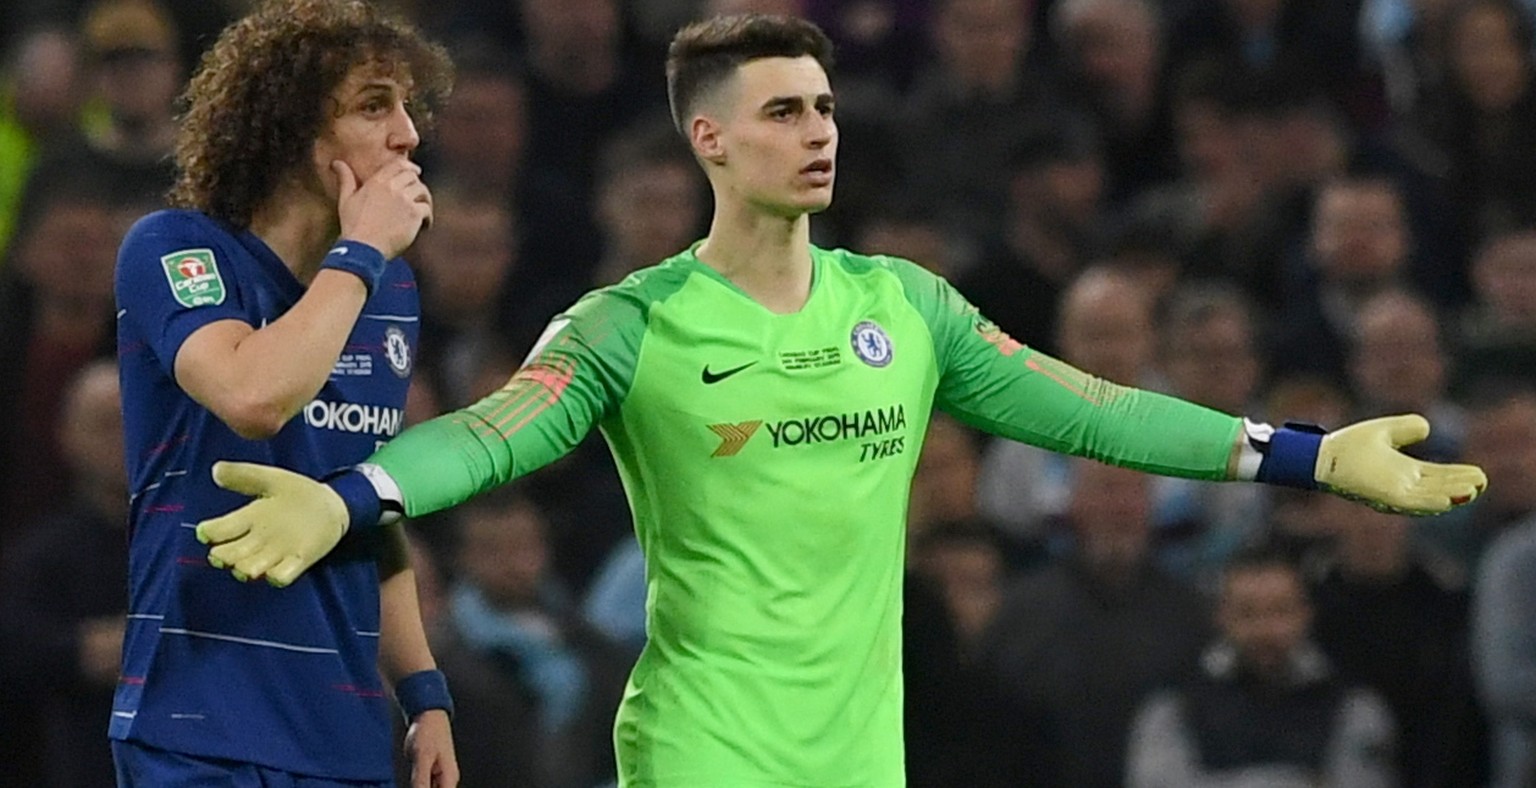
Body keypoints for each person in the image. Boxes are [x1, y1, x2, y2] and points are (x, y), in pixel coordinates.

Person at [193, 13, 1487, 787]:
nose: (817, 130)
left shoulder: (904, 307)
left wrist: (1311, 457)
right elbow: (489, 436)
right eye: (780, 111)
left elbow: (1095, 409)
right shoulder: (631, 323)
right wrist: (351, 497)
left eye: (824, 105)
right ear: (709, 140)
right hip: (706, 750)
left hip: (865, 755)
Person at [111, 1, 457, 785]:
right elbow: (253, 395)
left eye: (408, 106)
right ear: (292, 125)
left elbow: (364, 494)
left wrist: (424, 690)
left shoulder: (388, 288)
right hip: (197, 721)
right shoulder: (177, 249)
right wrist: (363, 246)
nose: (408, 133)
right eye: (375, 106)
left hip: (343, 730)